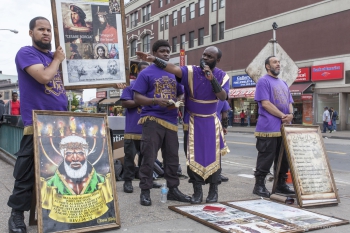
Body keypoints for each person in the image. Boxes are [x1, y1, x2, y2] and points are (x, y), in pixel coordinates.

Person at [136, 45, 230, 204]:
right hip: (189, 121)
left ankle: (212, 191)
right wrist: (153, 60)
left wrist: (211, 78)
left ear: (218, 60)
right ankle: (197, 191)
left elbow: (222, 96)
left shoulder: (222, 76)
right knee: (192, 157)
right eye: (204, 55)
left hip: (209, 122)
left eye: (210, 57)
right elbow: (172, 67)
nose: (205, 58)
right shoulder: (191, 71)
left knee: (211, 157)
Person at [7, 16, 66, 233]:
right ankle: (16, 217)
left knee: (60, 172)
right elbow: (43, 77)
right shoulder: (27, 53)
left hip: (62, 124)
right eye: (41, 29)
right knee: (26, 173)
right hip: (38, 123)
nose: (46, 33)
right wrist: (58, 59)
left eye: (49, 30)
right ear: (31, 32)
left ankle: (57, 213)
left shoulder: (55, 56)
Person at [132, 40, 191, 206]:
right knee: (149, 157)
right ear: (155, 53)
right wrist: (154, 101)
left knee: (172, 158)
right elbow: (137, 98)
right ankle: (145, 191)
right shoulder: (146, 73)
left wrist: (179, 101)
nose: (166, 54)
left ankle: (173, 190)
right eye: (162, 51)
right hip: (152, 119)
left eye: (168, 51)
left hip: (172, 120)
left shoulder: (174, 72)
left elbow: (181, 93)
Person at [252, 56, 295, 198]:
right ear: (267, 66)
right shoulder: (263, 81)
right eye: (274, 62)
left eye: (278, 62)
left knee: (283, 159)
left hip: (284, 128)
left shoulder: (283, 83)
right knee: (266, 157)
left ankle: (280, 184)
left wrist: (290, 114)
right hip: (268, 127)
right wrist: (283, 116)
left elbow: (289, 102)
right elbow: (265, 104)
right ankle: (259, 185)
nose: (278, 64)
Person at [121, 62, 162, 193]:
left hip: (148, 128)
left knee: (148, 158)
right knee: (129, 158)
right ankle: (127, 181)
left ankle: (147, 180)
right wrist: (141, 101)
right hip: (132, 129)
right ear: (138, 72)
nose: (146, 72)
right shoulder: (130, 87)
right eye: (143, 70)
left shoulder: (153, 88)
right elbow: (125, 103)